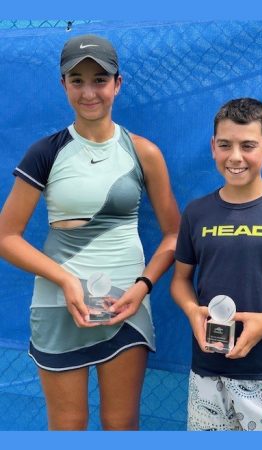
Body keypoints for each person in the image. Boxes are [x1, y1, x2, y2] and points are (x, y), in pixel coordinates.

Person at [0, 34, 180, 430]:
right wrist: (64, 279)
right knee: (68, 426)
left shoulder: (144, 152)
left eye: (99, 79)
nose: (88, 91)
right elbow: (6, 237)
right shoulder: (45, 152)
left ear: (118, 83)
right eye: (76, 80)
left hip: (126, 308)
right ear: (62, 85)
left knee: (121, 425)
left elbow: (173, 235)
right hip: (57, 305)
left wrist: (142, 287)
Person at [170, 98, 262, 431]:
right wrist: (193, 310)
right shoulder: (196, 213)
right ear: (212, 147)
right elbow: (180, 281)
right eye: (225, 145)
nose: (235, 157)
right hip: (207, 372)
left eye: (248, 145)